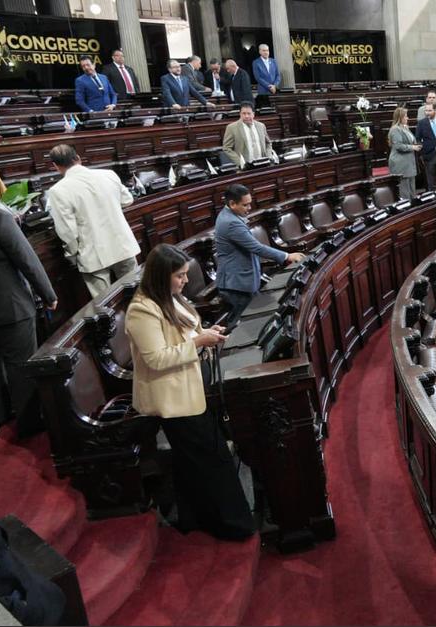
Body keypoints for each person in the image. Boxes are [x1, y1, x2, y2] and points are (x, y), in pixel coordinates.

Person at [125, 243, 255, 540]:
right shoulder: (141, 310)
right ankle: (233, 525)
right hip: (173, 397)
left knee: (193, 460)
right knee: (211, 457)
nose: (186, 280)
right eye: (180, 275)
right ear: (161, 276)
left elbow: (184, 333)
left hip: (191, 384)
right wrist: (198, 342)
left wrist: (205, 334)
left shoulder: (170, 297)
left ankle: (195, 519)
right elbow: (156, 359)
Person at [45, 144, 141, 299]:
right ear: (78, 158)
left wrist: (72, 256)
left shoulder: (58, 191)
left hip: (93, 255)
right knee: (137, 296)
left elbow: (67, 232)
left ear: (55, 166)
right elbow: (127, 200)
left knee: (106, 303)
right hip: (123, 246)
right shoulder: (108, 174)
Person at [0, 201, 57, 437]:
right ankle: (29, 422)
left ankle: (1, 416)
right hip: (10, 307)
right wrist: (48, 294)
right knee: (21, 365)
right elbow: (27, 259)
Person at [215, 184, 304, 324]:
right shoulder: (231, 223)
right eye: (245, 205)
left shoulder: (229, 216)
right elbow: (256, 248)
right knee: (242, 325)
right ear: (232, 204)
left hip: (241, 281)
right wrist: (287, 256)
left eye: (250, 203)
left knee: (250, 321)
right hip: (236, 284)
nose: (249, 208)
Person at [222, 103, 271, 169]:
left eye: (249, 113)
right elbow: (227, 148)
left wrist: (268, 156)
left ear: (253, 114)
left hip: (263, 164)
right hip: (246, 167)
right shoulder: (232, 128)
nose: (246, 116)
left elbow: (268, 143)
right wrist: (240, 162)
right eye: (244, 113)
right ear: (240, 114)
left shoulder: (261, 126)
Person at [387, 106, 419, 200]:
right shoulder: (395, 129)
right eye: (405, 116)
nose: (407, 118)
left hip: (409, 163)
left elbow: (411, 141)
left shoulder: (405, 128)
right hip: (400, 163)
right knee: (404, 192)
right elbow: (398, 146)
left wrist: (416, 145)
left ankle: (413, 205)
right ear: (400, 117)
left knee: (412, 191)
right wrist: (413, 147)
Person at [252, 44, 281, 108]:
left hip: (274, 91)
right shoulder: (256, 62)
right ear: (260, 51)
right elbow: (258, 78)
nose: (266, 52)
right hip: (263, 92)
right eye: (264, 50)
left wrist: (274, 86)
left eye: (267, 50)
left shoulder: (273, 61)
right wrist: (269, 86)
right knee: (266, 111)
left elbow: (278, 76)